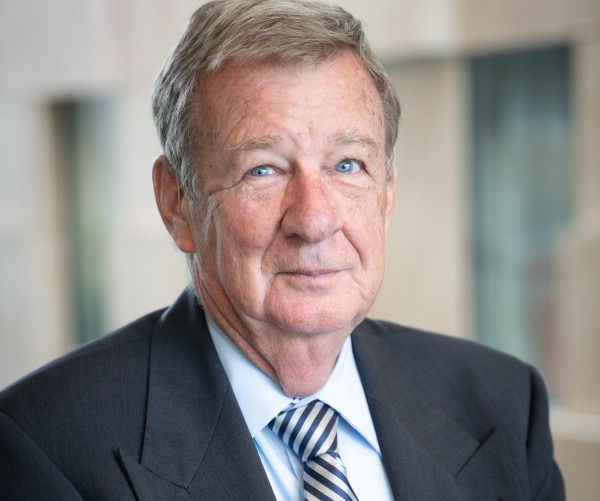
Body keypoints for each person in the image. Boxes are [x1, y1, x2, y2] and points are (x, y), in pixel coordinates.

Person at [0, 0, 565, 499]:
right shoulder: (46, 444)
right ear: (177, 203)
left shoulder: (503, 404)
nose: (314, 220)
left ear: (387, 195)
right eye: (263, 169)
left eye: (348, 165)